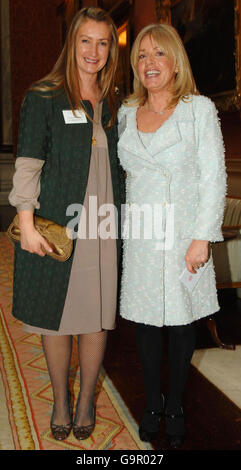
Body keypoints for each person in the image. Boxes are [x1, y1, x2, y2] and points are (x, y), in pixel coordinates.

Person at [9, 7, 125, 441]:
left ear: (111, 48)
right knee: (54, 316)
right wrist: (27, 222)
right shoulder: (44, 95)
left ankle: (85, 397)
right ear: (71, 43)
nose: (93, 51)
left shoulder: (115, 99)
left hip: (104, 224)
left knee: (95, 316)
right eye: (85, 40)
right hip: (58, 222)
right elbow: (27, 163)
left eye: (103, 42)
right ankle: (60, 398)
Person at [117, 23, 226, 448]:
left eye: (158, 54)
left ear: (176, 60)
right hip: (142, 234)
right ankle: (151, 403)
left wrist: (202, 237)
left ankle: (176, 403)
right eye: (142, 56)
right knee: (145, 323)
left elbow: (214, 178)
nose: (150, 63)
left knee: (181, 324)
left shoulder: (198, 110)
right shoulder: (126, 112)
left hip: (184, 234)